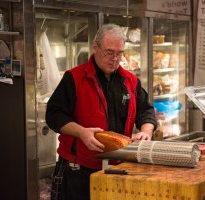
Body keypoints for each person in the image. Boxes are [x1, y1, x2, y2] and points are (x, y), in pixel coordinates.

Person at [46, 23, 157, 200]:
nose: (115, 58)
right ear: (95, 48)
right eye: (109, 52)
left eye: (120, 53)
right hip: (79, 173)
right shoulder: (74, 78)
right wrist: (81, 132)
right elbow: (54, 115)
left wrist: (145, 131)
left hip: (119, 168)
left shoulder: (130, 81)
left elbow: (146, 111)